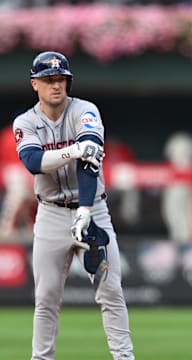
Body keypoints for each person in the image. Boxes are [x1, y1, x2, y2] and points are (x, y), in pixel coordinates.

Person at [13, 51, 135, 360]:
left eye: (61, 79)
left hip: (93, 209)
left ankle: (124, 357)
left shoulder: (86, 111)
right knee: (46, 298)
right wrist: (74, 150)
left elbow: (89, 163)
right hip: (50, 213)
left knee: (111, 292)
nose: (56, 85)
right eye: (48, 80)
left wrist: (85, 211)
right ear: (34, 84)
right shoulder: (26, 122)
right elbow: (33, 162)